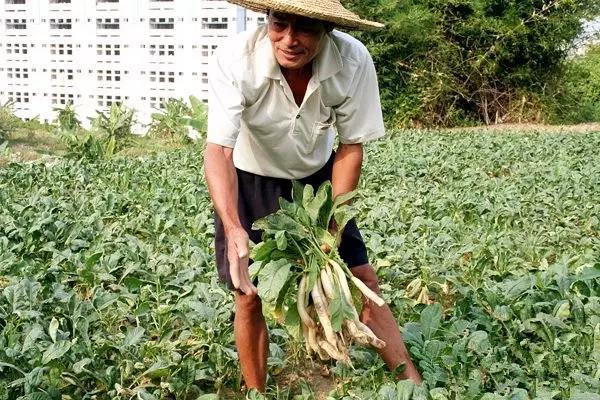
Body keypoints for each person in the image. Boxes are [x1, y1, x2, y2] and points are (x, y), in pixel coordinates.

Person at [203, 0, 422, 392]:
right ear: (266, 20)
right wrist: (234, 227)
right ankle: (257, 391)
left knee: (361, 278)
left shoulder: (352, 61)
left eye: (304, 29)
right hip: (249, 179)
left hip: (317, 182)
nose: (289, 39)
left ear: (327, 30)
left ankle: (411, 383)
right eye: (279, 24)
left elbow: (350, 146)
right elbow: (218, 150)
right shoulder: (236, 59)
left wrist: (333, 223)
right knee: (248, 294)